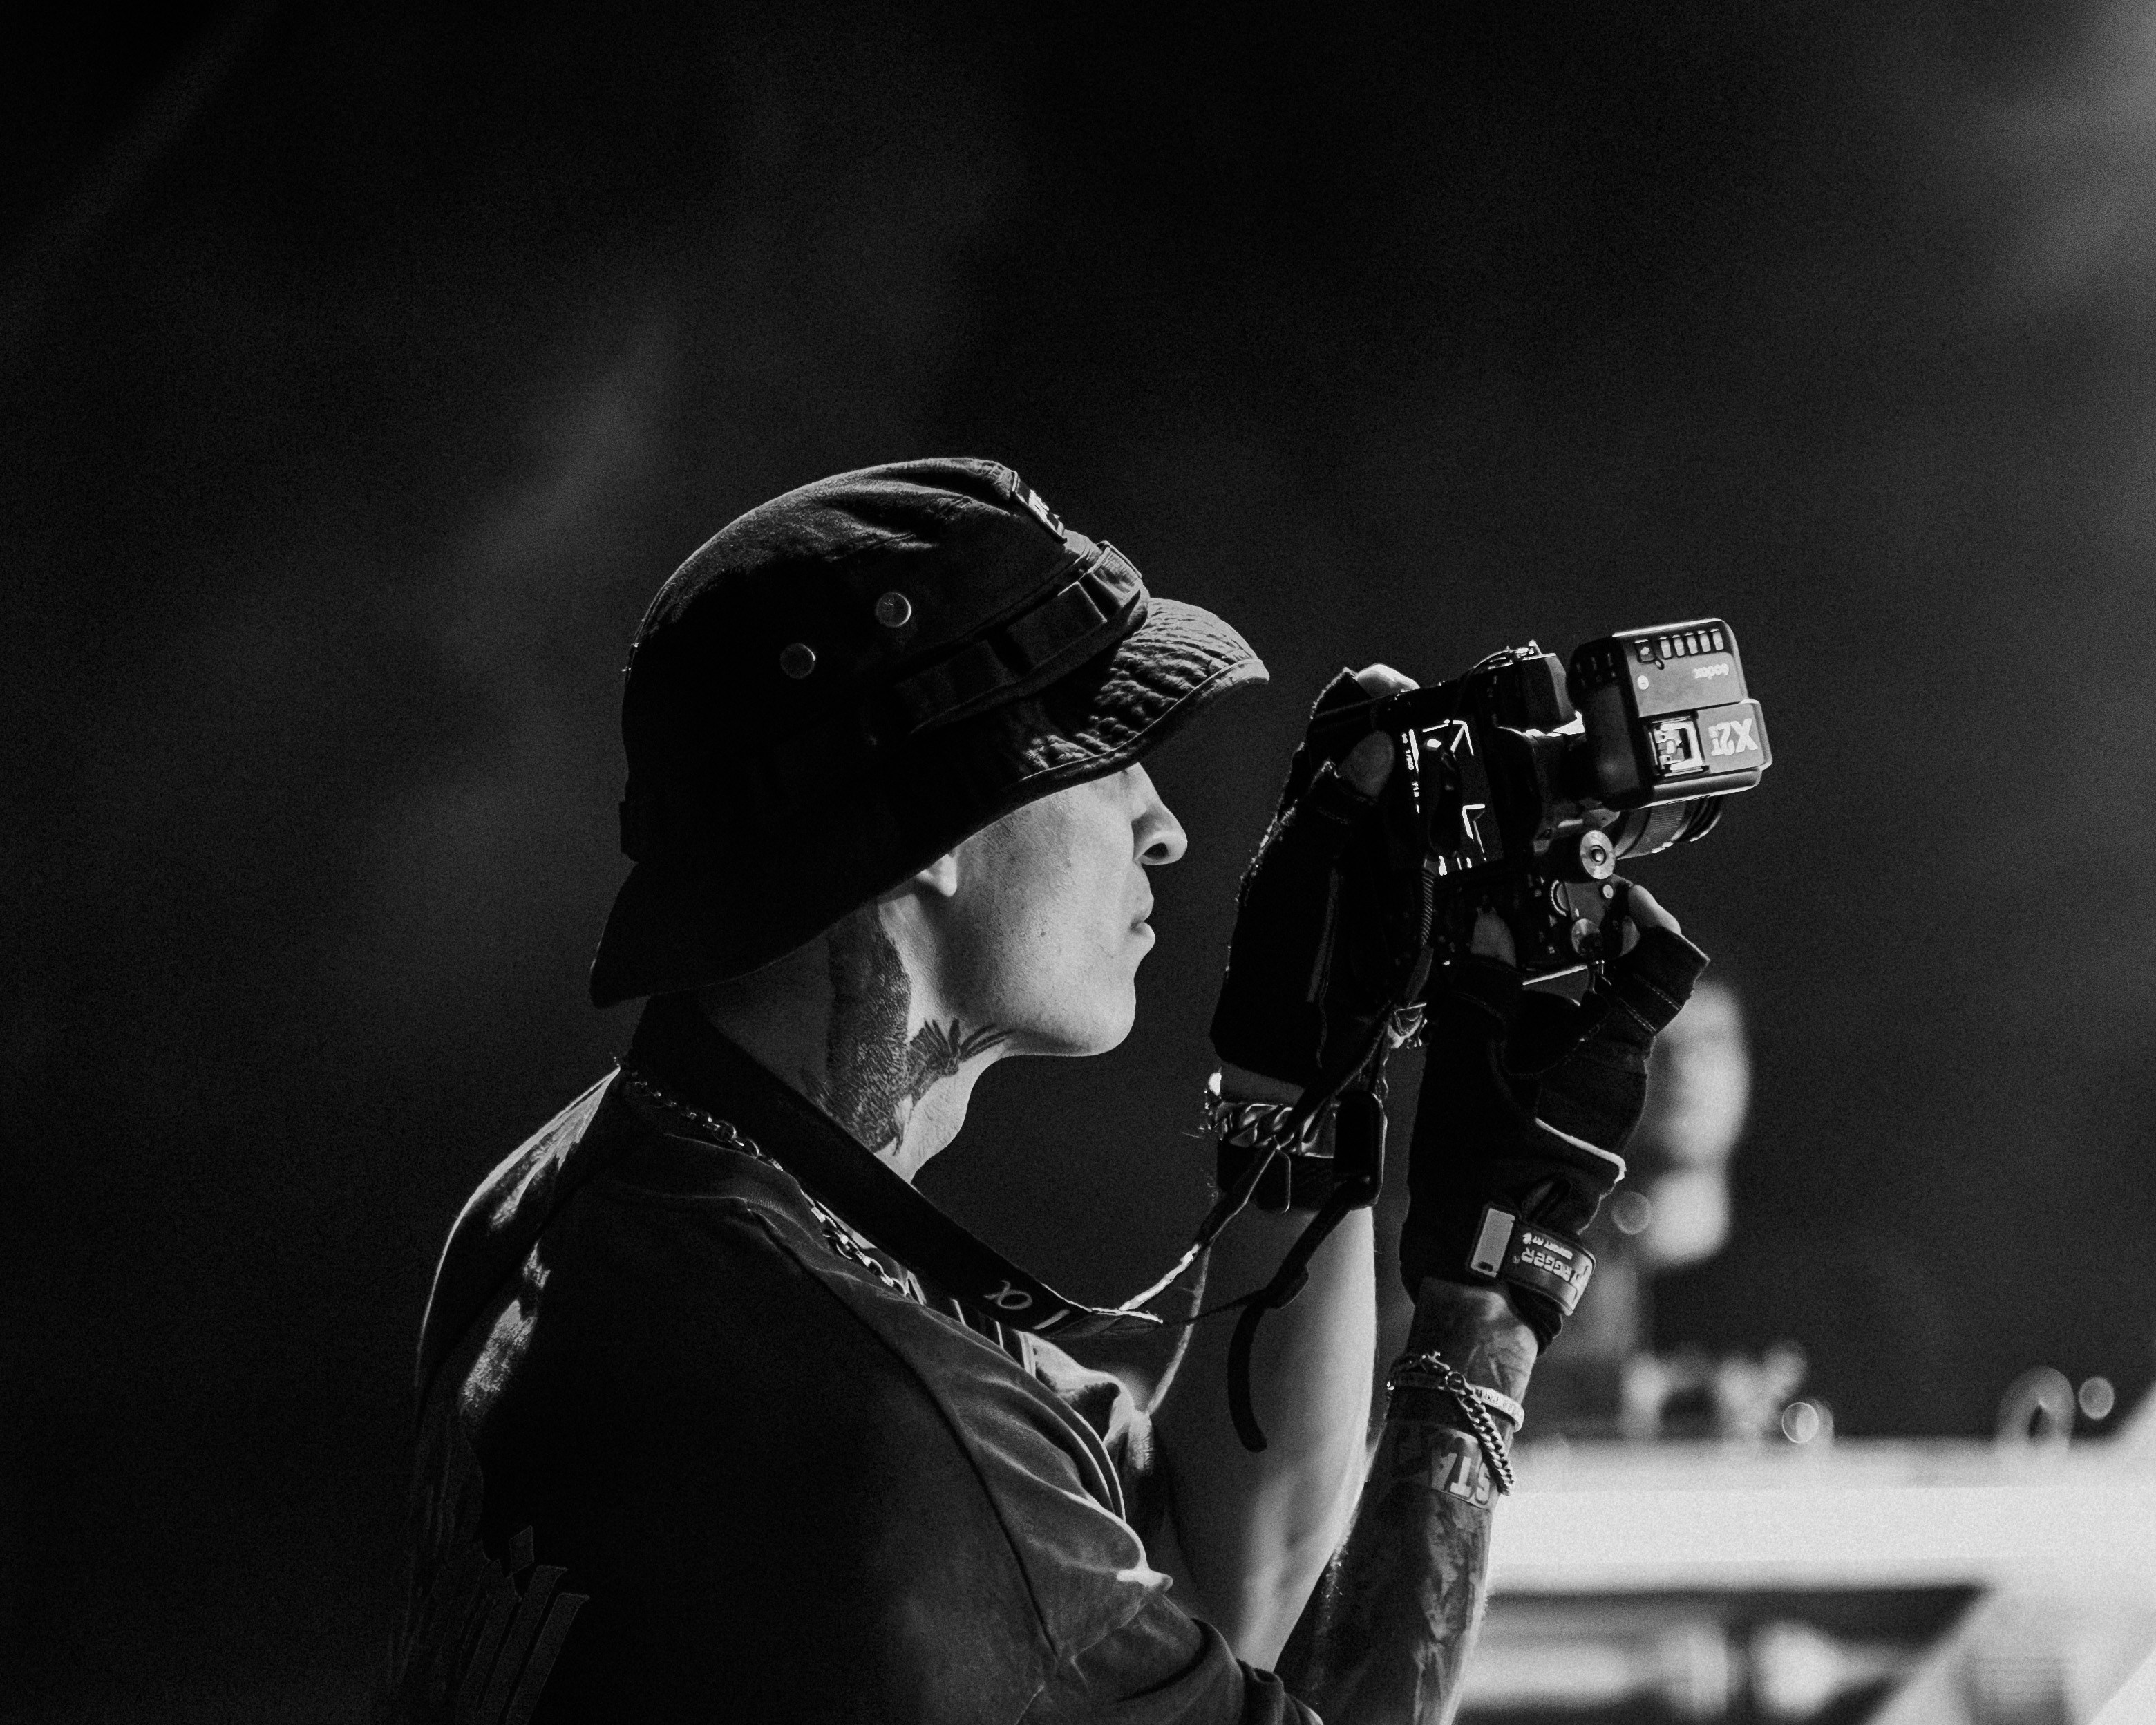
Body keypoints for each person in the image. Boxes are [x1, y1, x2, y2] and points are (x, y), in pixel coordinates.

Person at [377, 459, 1708, 1723]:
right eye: (1109, 748)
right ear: (934, 827)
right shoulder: (877, 1441)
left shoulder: (584, 1199)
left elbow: (1210, 1575)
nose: (1164, 825)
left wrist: (1305, 1078)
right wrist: (1494, 1283)